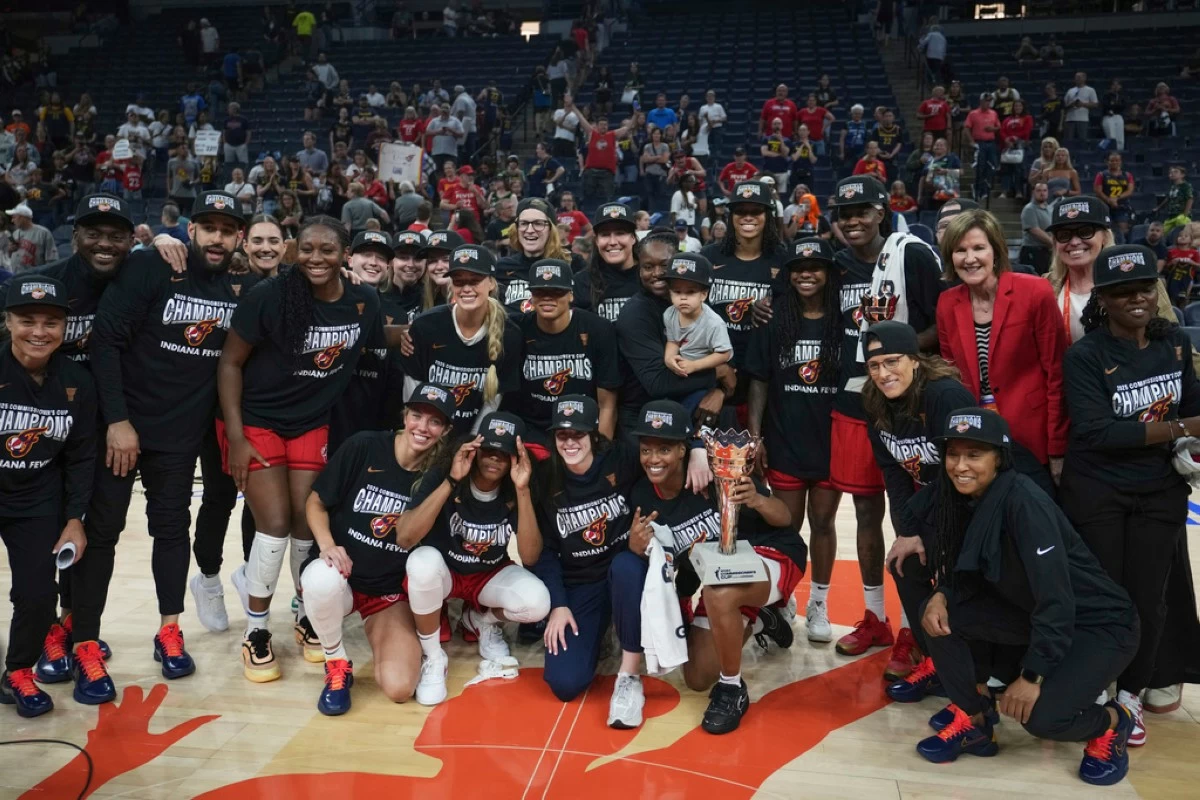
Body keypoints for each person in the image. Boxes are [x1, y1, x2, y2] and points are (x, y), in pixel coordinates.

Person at [70, 192, 252, 702]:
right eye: (208, 226)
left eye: (227, 228)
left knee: (172, 530)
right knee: (102, 534)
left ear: (237, 236)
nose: (217, 237)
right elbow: (105, 343)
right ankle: (85, 641)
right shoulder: (152, 267)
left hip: (178, 437)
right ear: (191, 230)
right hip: (122, 430)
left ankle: (169, 628)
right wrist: (119, 421)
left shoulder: (238, 287)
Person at [906, 408, 1139, 787]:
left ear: (1000, 457)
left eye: (974, 455)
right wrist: (942, 594)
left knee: (1043, 719)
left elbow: (1057, 598)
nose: (960, 465)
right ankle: (976, 723)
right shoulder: (963, 497)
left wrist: (1032, 675)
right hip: (1035, 615)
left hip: (1099, 625)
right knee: (936, 616)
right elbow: (970, 572)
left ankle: (1113, 723)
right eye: (953, 454)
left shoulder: (1024, 504)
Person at [218, 217, 386, 682]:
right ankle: (255, 630)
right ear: (294, 250)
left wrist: (414, 334)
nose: (316, 258)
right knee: (271, 527)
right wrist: (236, 437)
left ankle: (305, 612)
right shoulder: (268, 297)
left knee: (305, 524)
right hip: (256, 420)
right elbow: (230, 363)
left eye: (327, 250)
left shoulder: (363, 301)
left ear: (345, 255)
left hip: (311, 422)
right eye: (307, 249)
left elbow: (377, 346)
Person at [827, 175, 942, 676]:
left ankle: (922, 626)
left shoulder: (910, 253)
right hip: (857, 400)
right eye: (844, 214)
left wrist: (896, 359)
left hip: (908, 397)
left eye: (862, 212)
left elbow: (944, 320)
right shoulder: (834, 265)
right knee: (868, 510)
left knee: (917, 515)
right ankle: (875, 616)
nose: (853, 221)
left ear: (881, 212)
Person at [630, 398, 800, 734]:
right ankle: (761, 620)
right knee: (695, 678)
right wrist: (635, 547)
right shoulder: (642, 494)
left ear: (683, 450)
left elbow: (786, 518)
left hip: (771, 554)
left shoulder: (717, 470)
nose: (653, 459)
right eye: (646, 449)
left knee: (720, 589)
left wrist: (757, 500)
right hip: (716, 577)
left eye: (664, 449)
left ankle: (732, 688)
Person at [531, 395, 706, 721]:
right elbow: (544, 551)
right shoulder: (545, 477)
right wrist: (558, 602)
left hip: (630, 573)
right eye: (562, 435)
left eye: (578, 434)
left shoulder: (621, 458)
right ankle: (601, 630)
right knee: (565, 683)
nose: (570, 443)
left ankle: (629, 676)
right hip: (582, 585)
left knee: (626, 565)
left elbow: (664, 447)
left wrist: (697, 449)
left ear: (594, 433)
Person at [302, 384, 452, 714]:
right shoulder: (364, 446)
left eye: (434, 422)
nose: (422, 428)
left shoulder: (437, 476)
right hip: (343, 577)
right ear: (405, 416)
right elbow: (315, 502)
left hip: (385, 591)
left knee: (399, 688)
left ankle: (405, 648)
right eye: (417, 416)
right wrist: (327, 545)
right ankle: (336, 661)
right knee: (320, 579)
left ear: (445, 431)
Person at [857, 320, 975, 698]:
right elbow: (894, 474)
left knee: (954, 577)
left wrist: (935, 537)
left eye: (892, 362)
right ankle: (936, 661)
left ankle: (976, 671)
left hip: (974, 506)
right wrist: (907, 533)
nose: (883, 374)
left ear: (915, 361)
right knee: (904, 563)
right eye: (874, 366)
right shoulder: (874, 400)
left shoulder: (945, 396)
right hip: (929, 503)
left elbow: (964, 474)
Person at [403, 411, 549, 705]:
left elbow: (530, 556)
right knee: (421, 563)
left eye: (504, 453)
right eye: (489, 450)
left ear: (515, 458)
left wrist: (522, 490)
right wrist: (450, 481)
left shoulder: (516, 486)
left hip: (486, 575)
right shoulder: (449, 471)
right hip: (445, 571)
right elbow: (405, 537)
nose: (495, 459)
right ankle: (433, 657)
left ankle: (481, 621)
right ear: (475, 447)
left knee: (537, 602)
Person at [0, 274, 95, 718]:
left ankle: (18, 670)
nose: (39, 331)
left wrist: (74, 516)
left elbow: (80, 455)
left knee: (39, 593)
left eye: (51, 322)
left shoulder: (77, 379)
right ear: (8, 321)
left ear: (65, 328)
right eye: (27, 320)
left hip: (35, 498)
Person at [745, 238, 841, 642]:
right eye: (798, 269)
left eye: (815, 267)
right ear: (787, 274)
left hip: (830, 441)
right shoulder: (774, 319)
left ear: (828, 273)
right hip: (784, 436)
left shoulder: (843, 320)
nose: (806, 274)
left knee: (823, 522)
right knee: (786, 526)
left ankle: (819, 601)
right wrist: (755, 434)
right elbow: (759, 381)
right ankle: (783, 597)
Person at [936, 210, 1066, 493]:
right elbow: (951, 379)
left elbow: (1057, 374)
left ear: (996, 250)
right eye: (960, 250)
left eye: (978, 248)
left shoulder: (1035, 291)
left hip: (1032, 436)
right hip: (975, 440)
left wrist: (1057, 447)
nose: (970, 259)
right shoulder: (947, 303)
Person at [401, 245, 521, 437]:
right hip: (427, 435)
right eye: (458, 282)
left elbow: (493, 402)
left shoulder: (509, 334)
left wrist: (471, 442)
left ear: (491, 283)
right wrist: (423, 436)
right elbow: (412, 394)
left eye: (475, 281)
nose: (466, 289)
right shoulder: (426, 326)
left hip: (473, 436)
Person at [506, 258, 619, 455]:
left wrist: (601, 456)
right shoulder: (516, 329)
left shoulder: (598, 329)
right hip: (534, 430)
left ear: (571, 295)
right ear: (530, 296)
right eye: (540, 292)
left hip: (583, 429)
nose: (547, 298)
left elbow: (607, 405)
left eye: (556, 292)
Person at [700, 180, 786, 407]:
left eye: (756, 211)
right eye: (741, 211)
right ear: (731, 216)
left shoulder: (782, 259)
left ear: (767, 215)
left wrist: (772, 311)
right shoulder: (709, 256)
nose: (748, 217)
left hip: (763, 372)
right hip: (713, 368)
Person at [662, 254, 732, 413]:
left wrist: (694, 366)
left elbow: (724, 354)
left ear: (703, 294)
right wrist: (668, 359)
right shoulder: (669, 314)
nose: (683, 298)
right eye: (677, 292)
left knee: (691, 411)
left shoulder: (713, 323)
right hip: (680, 375)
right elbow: (673, 341)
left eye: (691, 292)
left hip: (704, 378)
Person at [1046, 196, 1116, 346]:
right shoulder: (1044, 285)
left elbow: (1166, 342)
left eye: (1085, 232)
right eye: (1064, 235)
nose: (1074, 242)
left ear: (1104, 236)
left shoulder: (1138, 281)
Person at [494, 197, 584, 314]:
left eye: (538, 223)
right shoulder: (502, 267)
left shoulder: (573, 264)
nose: (530, 230)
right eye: (524, 223)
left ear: (551, 229)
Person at [573, 202, 642, 322]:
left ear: (633, 238)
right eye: (605, 234)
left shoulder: (648, 279)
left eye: (620, 233)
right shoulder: (581, 282)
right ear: (596, 241)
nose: (613, 241)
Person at [5, 204, 58, 272]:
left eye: (14, 217)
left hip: (34, 277)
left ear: (23, 218)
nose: (12, 220)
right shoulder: (15, 233)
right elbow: (8, 257)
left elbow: (52, 259)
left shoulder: (43, 233)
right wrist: (10, 250)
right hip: (16, 276)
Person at [1019, 182, 1053, 275]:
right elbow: (1035, 230)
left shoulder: (1050, 208)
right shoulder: (1029, 209)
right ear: (1033, 192)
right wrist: (1053, 243)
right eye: (1039, 190)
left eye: (1044, 190)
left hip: (1046, 252)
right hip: (1033, 251)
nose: (1042, 193)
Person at [1156, 164, 1194, 235]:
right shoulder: (1173, 187)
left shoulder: (1186, 186)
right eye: (1170, 173)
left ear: (1182, 175)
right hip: (1171, 216)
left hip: (1181, 215)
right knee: (1161, 234)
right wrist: (1158, 208)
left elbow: (1190, 199)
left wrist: (1185, 215)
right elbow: (1168, 198)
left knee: (1183, 234)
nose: (1172, 174)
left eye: (1175, 172)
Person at [1063, 72, 1098, 142]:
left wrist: (1082, 104)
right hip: (1070, 120)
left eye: (1079, 77)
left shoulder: (1090, 90)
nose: (1077, 79)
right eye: (1076, 77)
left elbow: (1095, 104)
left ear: (1084, 78)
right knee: (1069, 141)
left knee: (1082, 141)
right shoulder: (1070, 90)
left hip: (1083, 119)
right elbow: (1064, 105)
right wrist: (1072, 104)